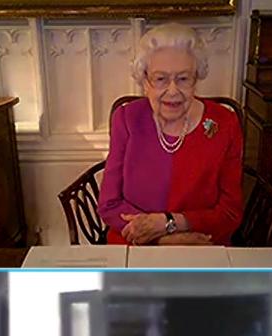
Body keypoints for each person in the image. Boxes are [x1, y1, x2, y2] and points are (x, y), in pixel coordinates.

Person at [98, 23, 243, 246]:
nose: (173, 90)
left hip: (203, 246)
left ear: (197, 78)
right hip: (136, 245)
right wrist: (170, 241)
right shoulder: (127, 119)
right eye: (161, 79)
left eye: (183, 78)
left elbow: (231, 212)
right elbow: (109, 205)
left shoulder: (225, 123)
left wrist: (171, 223)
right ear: (145, 82)